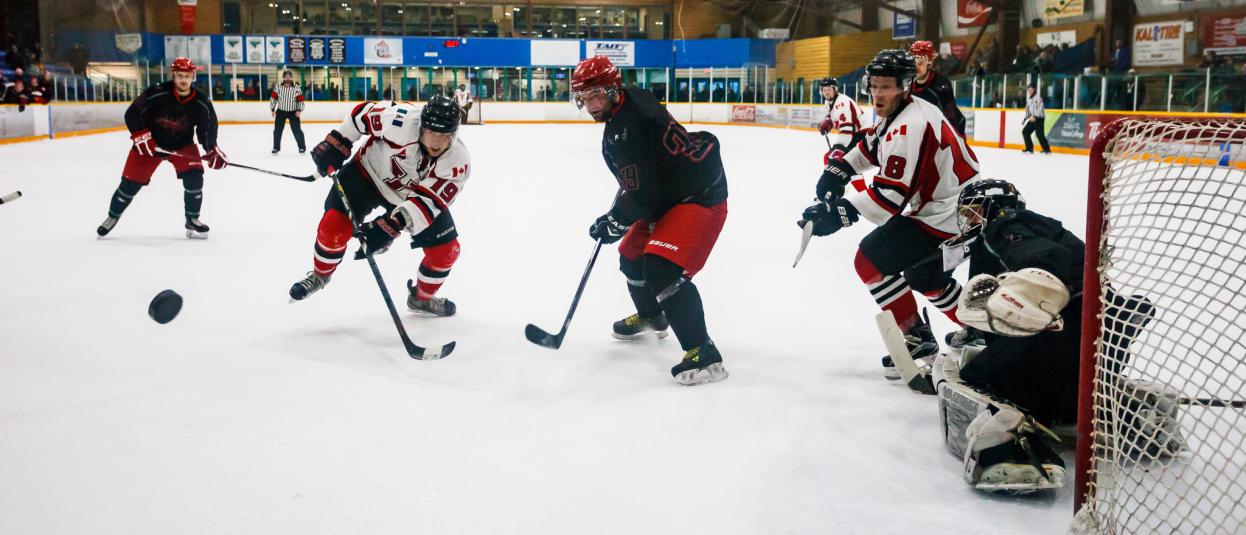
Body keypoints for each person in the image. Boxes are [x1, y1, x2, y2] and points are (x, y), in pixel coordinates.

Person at [800, 49, 979, 379]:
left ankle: (914, 336)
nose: (879, 94)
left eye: (887, 86)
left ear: (906, 85)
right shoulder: (902, 109)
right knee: (926, 277)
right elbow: (871, 146)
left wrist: (839, 213)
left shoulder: (911, 125)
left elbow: (889, 199)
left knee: (869, 260)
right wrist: (840, 169)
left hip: (947, 214)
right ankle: (976, 329)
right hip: (958, 208)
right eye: (875, 85)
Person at [572, 55, 729, 386]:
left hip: (698, 193)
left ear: (614, 89)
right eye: (584, 97)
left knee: (661, 267)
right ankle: (652, 315)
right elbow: (644, 182)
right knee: (631, 257)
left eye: (596, 95)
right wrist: (618, 215)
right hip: (672, 190)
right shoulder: (633, 97)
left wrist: (616, 218)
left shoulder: (625, 132)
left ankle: (704, 352)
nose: (590, 104)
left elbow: (645, 195)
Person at [291, 95, 469, 319]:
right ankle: (320, 275)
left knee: (446, 251)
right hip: (366, 174)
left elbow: (430, 201)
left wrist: (394, 224)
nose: (435, 142)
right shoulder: (399, 120)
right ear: (421, 127)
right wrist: (338, 141)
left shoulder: (457, 163)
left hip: (409, 197)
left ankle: (421, 299)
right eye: (431, 133)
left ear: (454, 136)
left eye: (443, 137)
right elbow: (360, 116)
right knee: (332, 228)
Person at [97, 57, 226, 239]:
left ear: (193, 77)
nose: (183, 79)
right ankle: (112, 217)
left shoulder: (201, 102)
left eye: (187, 75)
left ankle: (192, 219)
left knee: (195, 177)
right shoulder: (156, 93)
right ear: (173, 75)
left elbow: (208, 128)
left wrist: (211, 149)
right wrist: (141, 135)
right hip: (150, 146)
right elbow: (132, 114)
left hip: (182, 146)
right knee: (129, 184)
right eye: (179, 75)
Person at [816, 77, 866, 193]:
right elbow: (833, 117)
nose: (826, 92)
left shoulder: (841, 103)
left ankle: (833, 188)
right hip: (855, 134)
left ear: (835, 89)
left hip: (861, 134)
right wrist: (828, 120)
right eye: (824, 89)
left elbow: (847, 129)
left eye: (829, 89)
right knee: (845, 163)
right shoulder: (829, 103)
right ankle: (834, 187)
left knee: (844, 162)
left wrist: (839, 148)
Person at [909, 41, 966, 136]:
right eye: (913, 63)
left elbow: (951, 115)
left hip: (939, 137)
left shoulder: (941, 84)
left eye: (920, 63)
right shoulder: (907, 84)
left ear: (930, 64)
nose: (916, 68)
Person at [270, 70, 306, 155]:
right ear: (283, 78)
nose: (287, 78)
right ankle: (276, 147)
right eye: (286, 76)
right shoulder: (278, 87)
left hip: (293, 112)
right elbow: (273, 98)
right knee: (277, 130)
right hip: (281, 112)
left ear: (291, 78)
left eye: (289, 76)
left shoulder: (296, 87)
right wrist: (272, 109)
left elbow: (301, 100)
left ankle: (302, 147)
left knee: (297, 130)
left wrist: (299, 110)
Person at [1021, 84, 1050, 154]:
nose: (1029, 91)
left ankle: (1047, 149)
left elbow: (1040, 108)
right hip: (1032, 119)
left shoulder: (1038, 98)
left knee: (1039, 134)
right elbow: (1028, 110)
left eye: (1031, 89)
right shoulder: (1029, 99)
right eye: (1028, 89)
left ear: (1034, 89)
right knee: (1025, 131)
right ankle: (1029, 149)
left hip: (1039, 118)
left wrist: (1035, 117)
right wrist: (1025, 119)